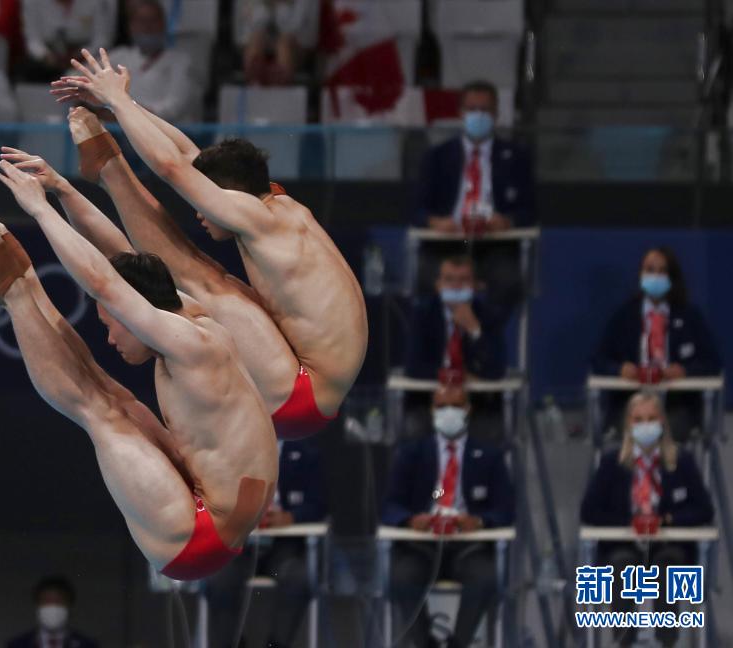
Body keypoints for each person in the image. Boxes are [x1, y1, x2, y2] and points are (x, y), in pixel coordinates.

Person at [0, 159, 278, 580]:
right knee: (120, 400)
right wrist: (63, 188)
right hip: (227, 514)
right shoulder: (191, 316)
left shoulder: (190, 345)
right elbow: (118, 258)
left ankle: (15, 292)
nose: (110, 339)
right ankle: (24, 280)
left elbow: (103, 283)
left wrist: (40, 209)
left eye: (111, 325)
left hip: (197, 538)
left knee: (99, 411)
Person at [51, 50, 368, 440]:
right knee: (212, 278)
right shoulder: (278, 204)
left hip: (300, 397)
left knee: (201, 282)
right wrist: (124, 109)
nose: (200, 212)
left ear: (230, 193)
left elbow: (173, 168)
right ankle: (109, 168)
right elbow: (189, 156)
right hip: (309, 379)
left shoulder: (260, 220)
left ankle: (111, 172)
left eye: (207, 201)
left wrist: (117, 99)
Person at [381, 386, 514, 648]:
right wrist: (410, 520)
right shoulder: (410, 454)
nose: (448, 412)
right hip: (423, 546)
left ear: (468, 410)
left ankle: (458, 645)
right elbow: (390, 506)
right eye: (441, 407)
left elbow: (505, 510)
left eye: (455, 406)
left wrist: (479, 521)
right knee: (401, 577)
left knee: (486, 577)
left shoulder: (490, 455)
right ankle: (424, 644)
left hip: (468, 547)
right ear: (432, 411)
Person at [580, 391, 713, 648]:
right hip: (623, 546)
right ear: (628, 424)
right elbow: (589, 511)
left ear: (662, 422)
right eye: (638, 419)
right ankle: (623, 641)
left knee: (668, 565)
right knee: (622, 565)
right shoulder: (611, 464)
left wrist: (668, 520)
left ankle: (667, 641)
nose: (646, 425)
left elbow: (704, 510)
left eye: (652, 418)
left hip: (669, 546)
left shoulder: (682, 462)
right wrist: (628, 523)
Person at [412, 80, 534, 310]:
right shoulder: (436, 157)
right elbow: (416, 211)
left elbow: (530, 211)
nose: (478, 115)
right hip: (446, 245)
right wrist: (435, 222)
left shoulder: (517, 157)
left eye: (485, 109)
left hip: (494, 246)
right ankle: (443, 330)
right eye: (472, 109)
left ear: (496, 114)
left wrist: (507, 222)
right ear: (460, 113)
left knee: (509, 281)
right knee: (425, 276)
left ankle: (481, 330)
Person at [205, 438, 327, 648]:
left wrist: (291, 517)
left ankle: (276, 645)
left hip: (284, 548)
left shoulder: (307, 454)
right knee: (220, 580)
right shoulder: (232, 453)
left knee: (298, 578)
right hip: (241, 546)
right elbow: (215, 500)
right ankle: (231, 644)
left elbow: (319, 505)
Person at [592, 247, 721, 440]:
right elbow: (598, 360)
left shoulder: (689, 316)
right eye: (650, 270)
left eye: (662, 271)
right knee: (632, 428)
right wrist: (619, 369)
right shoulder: (624, 316)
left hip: (677, 405)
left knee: (666, 432)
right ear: (640, 275)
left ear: (671, 278)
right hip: (630, 403)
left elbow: (713, 362)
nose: (655, 276)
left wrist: (685, 371)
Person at [405, 255, 506, 383]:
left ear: (475, 285)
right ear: (438, 285)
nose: (456, 286)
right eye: (449, 279)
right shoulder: (422, 315)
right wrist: (455, 376)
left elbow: (497, 370)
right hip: (431, 391)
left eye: (464, 280)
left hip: (477, 394)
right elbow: (413, 368)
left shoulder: (489, 315)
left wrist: (474, 329)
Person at [106, 0, 200, 122]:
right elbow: (85, 78)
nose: (147, 26)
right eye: (141, 21)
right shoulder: (118, 57)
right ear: (130, 26)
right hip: (121, 128)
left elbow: (175, 107)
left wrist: (130, 114)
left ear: (164, 24)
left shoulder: (181, 61)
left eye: (153, 20)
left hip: (166, 130)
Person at [20, 0, 117, 81]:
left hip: (86, 57)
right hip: (47, 60)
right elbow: (32, 40)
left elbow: (102, 39)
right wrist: (46, 56)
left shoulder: (97, 2)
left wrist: (81, 55)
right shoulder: (31, 2)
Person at [234, 0, 320, 85]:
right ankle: (255, 81)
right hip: (255, 42)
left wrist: (282, 6)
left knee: (284, 44)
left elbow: (306, 38)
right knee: (256, 40)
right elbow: (242, 36)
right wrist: (267, 7)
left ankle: (280, 79)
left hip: (295, 48)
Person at [5, 576, 99, 648]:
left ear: (69, 606)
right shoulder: (17, 645)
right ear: (37, 606)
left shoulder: (87, 645)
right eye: (46, 601)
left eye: (58, 602)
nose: (52, 607)